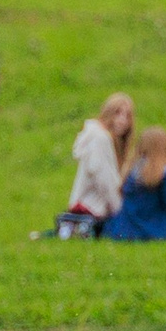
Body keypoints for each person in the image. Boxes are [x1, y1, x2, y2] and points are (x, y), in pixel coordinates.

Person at [64, 94, 134, 233]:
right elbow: (105, 181)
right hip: (93, 210)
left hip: (86, 208)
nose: (122, 120)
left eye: (127, 116)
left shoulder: (101, 138)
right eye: (118, 113)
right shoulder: (100, 139)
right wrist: (120, 212)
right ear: (109, 113)